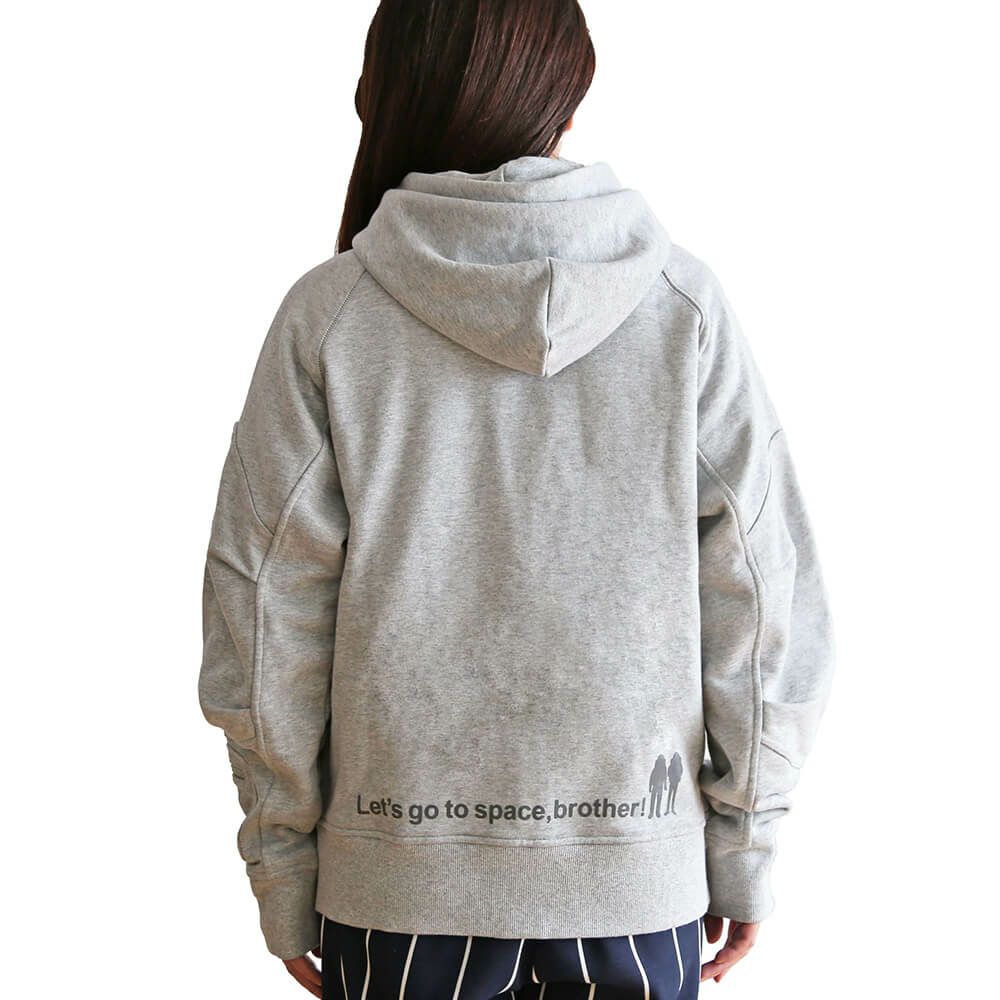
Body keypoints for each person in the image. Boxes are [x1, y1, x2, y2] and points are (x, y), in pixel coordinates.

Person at [197, 1, 836, 996]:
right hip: (633, 885)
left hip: (402, 891)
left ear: (386, 94)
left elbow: (265, 611)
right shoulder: (680, 306)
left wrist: (282, 869)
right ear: (567, 101)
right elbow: (763, 596)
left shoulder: (333, 314)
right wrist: (744, 843)